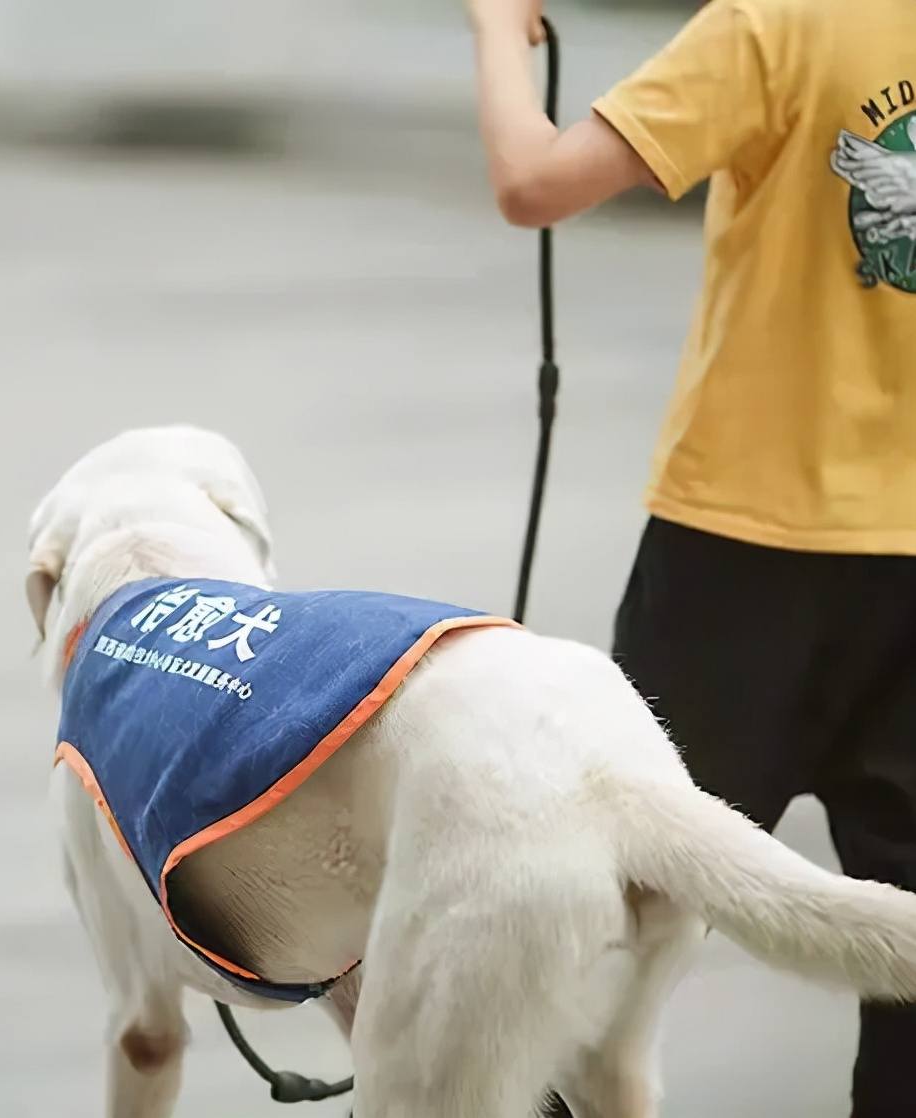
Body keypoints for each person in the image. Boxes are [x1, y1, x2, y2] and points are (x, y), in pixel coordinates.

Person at [463, 0, 916, 1114]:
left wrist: (488, 23)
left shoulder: (777, 21)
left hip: (737, 562)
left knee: (601, 924)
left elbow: (534, 181)